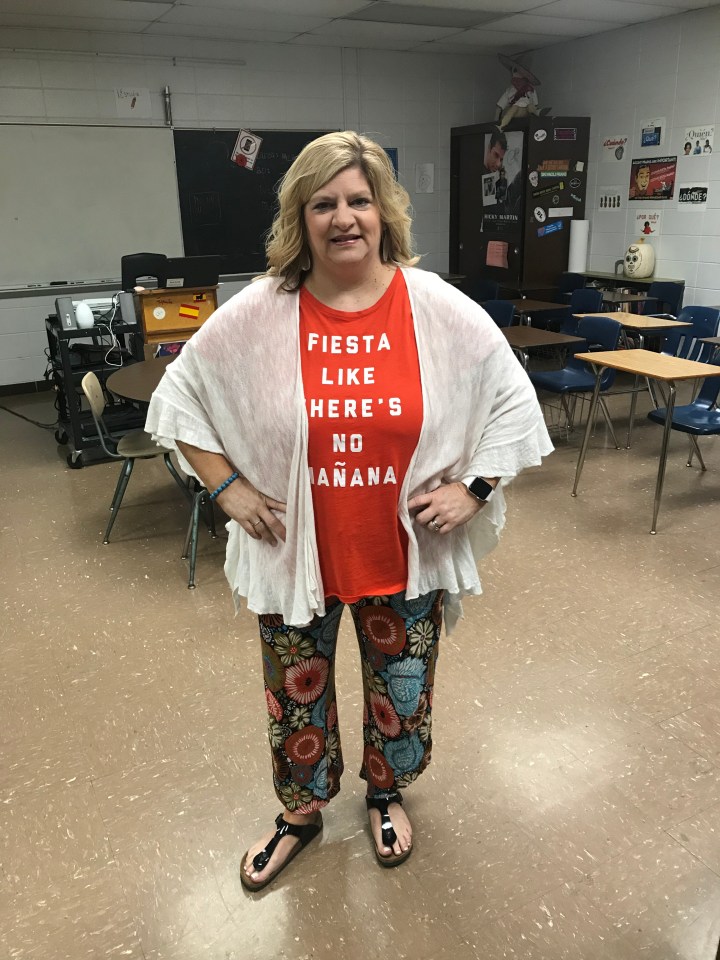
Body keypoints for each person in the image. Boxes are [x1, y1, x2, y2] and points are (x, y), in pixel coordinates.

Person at [145, 131, 552, 892]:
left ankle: (385, 794)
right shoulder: (261, 311)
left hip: (403, 553)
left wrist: (475, 489)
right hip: (293, 551)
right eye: (323, 203)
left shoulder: (434, 306)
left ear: (383, 210)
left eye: (358, 200)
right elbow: (180, 400)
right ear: (300, 218)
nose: (343, 218)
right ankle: (300, 814)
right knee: (293, 700)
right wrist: (227, 488)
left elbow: (511, 400)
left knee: (403, 691)